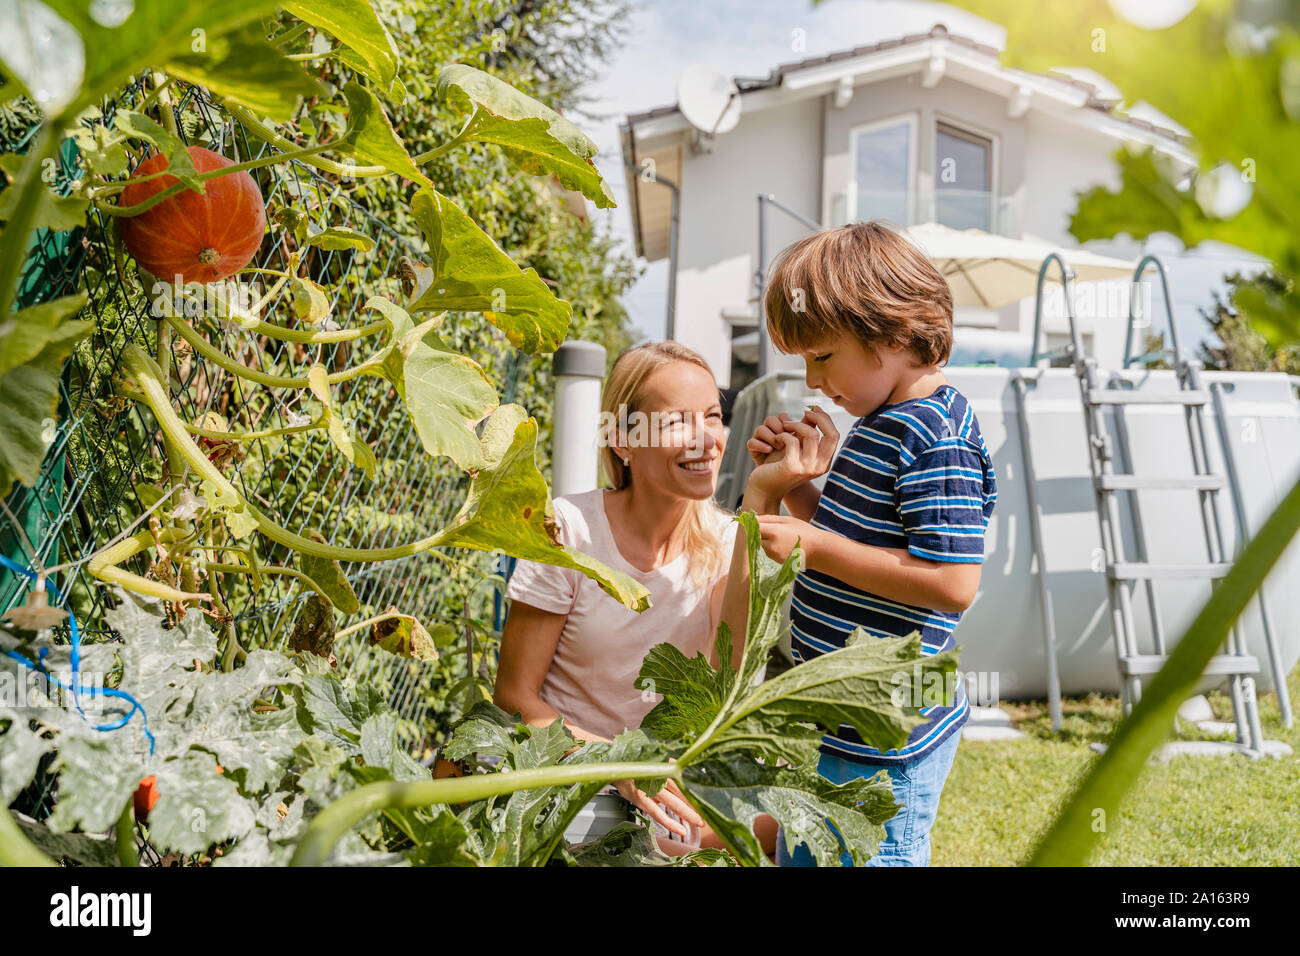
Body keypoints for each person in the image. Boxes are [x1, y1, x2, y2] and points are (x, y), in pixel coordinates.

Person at [724, 220, 998, 866]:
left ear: (895, 333)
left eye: (822, 356)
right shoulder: (884, 423)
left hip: (884, 733)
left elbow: (953, 583)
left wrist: (810, 547)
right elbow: (866, 543)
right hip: (845, 714)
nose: (814, 381)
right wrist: (798, 494)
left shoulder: (935, 435)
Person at [495, 341, 775, 857]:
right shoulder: (569, 529)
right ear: (623, 441)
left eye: (713, 416)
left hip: (668, 786)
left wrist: (760, 499)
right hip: (568, 777)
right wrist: (618, 765)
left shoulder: (732, 541)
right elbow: (514, 699)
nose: (707, 440)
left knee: (782, 826)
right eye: (677, 423)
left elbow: (730, 678)